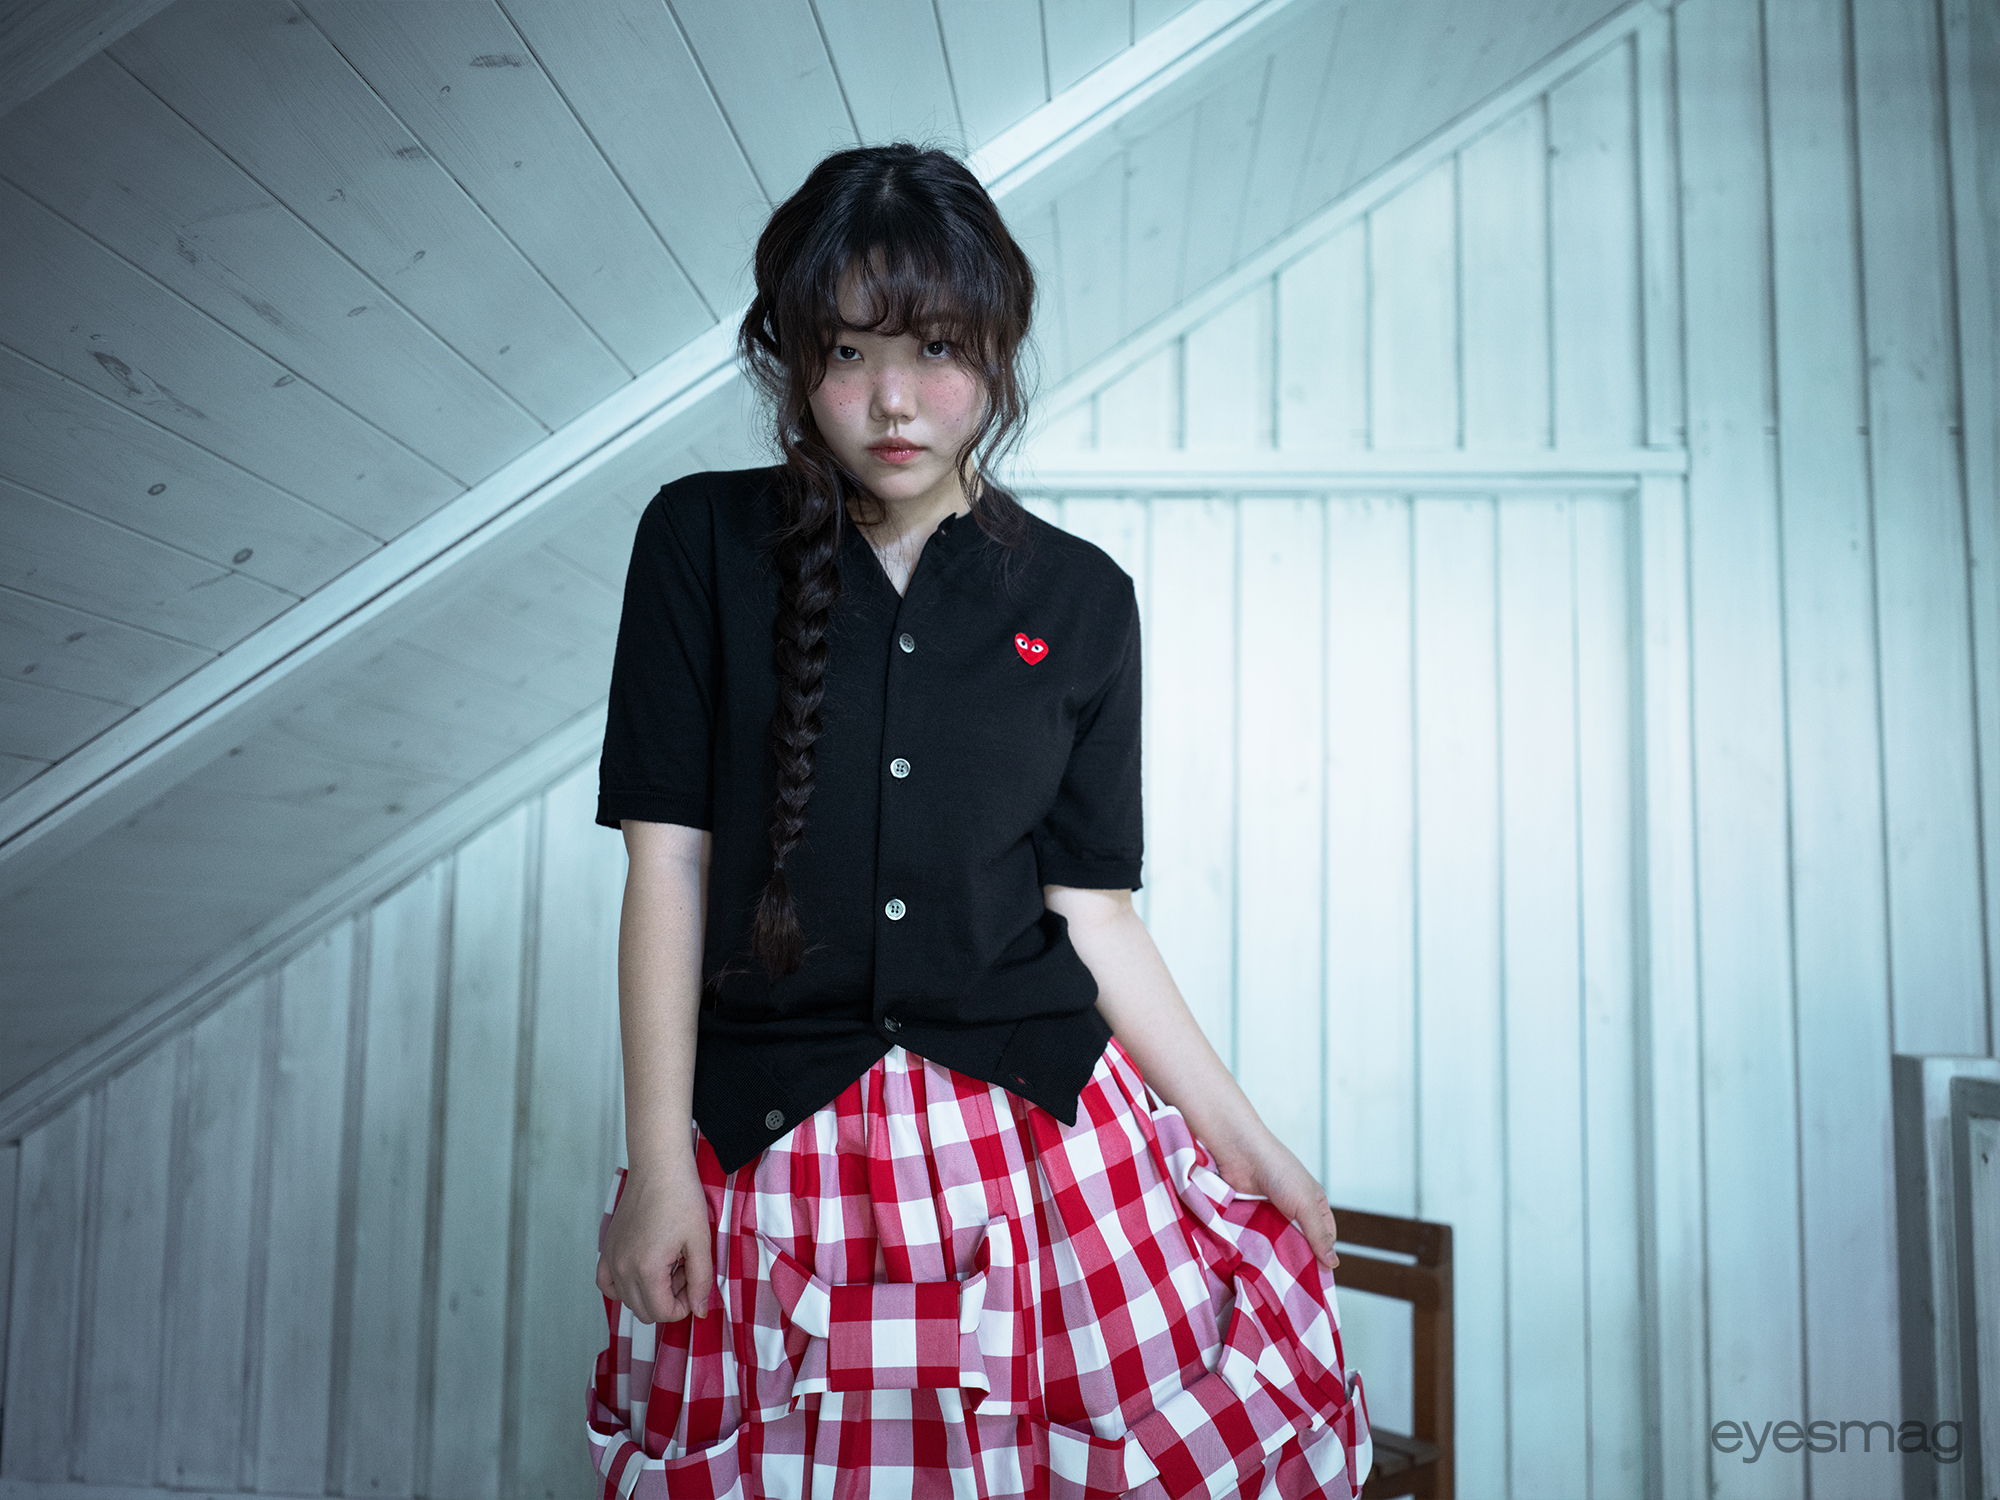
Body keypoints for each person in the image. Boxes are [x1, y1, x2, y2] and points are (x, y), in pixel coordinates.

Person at [585, 142, 1371, 1499]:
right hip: (776, 1147)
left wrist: (1250, 1145)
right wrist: (660, 1161)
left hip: (1040, 1142)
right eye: (847, 353)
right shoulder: (697, 545)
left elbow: (1092, 913)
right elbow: (670, 872)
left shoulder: (1082, 598)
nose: (892, 399)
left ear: (998, 353)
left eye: (936, 348)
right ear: (794, 360)